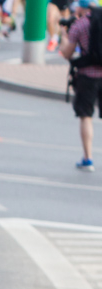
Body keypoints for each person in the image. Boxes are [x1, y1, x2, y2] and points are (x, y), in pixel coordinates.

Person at [61, 0, 101, 170]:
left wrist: (64, 35)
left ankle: (88, 158)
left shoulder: (80, 25)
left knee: (86, 116)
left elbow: (67, 53)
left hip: (87, 76)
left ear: (81, 8)